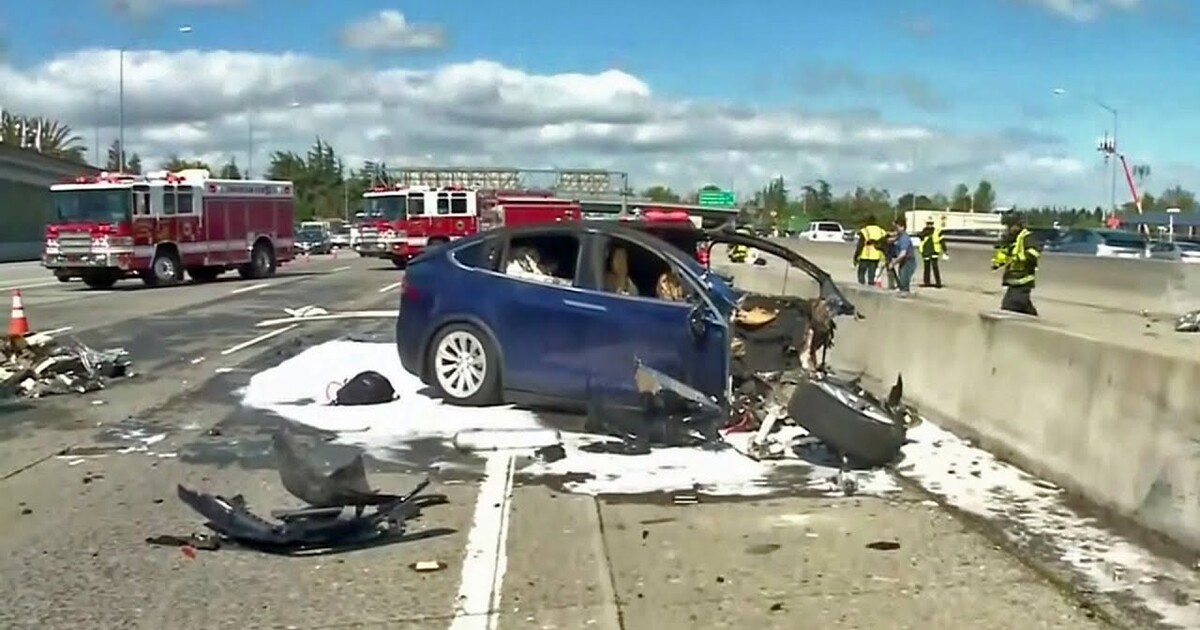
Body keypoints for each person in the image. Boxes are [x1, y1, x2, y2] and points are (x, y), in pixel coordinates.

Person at [991, 212, 1040, 315]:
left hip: (1023, 279)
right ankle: (1034, 320)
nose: (1008, 228)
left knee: (1010, 307)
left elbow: (1033, 253)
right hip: (1013, 280)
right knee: (1022, 306)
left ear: (1018, 225)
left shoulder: (1027, 237)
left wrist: (1017, 258)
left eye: (1010, 225)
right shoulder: (1011, 239)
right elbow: (1004, 253)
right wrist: (997, 262)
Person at [852, 216, 888, 286]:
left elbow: (860, 245)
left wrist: (855, 257)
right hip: (876, 256)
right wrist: (886, 256)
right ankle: (870, 288)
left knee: (861, 273)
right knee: (871, 275)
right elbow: (885, 245)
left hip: (865, 256)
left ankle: (862, 287)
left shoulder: (865, 230)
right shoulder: (881, 231)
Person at [888, 218, 917, 293]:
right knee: (901, 281)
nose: (895, 229)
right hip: (903, 262)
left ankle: (905, 296)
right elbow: (892, 238)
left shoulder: (904, 238)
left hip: (908, 262)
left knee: (904, 282)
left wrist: (893, 263)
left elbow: (902, 254)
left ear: (902, 227)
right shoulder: (899, 236)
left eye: (896, 227)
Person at [917, 219, 946, 288]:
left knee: (934, 266)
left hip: (934, 250)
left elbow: (942, 241)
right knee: (927, 267)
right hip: (926, 251)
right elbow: (920, 237)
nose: (929, 225)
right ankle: (927, 282)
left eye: (930, 224)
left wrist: (945, 250)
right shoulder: (923, 231)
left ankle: (938, 283)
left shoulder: (937, 231)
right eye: (928, 224)